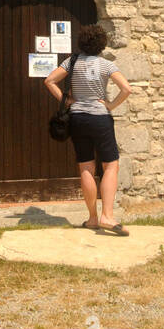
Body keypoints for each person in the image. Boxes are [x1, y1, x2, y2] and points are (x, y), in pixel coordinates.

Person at [44, 23, 132, 235]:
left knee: (86, 167)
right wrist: (110, 106)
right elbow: (126, 88)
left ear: (82, 42)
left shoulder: (71, 62)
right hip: (100, 119)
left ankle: (92, 218)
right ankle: (107, 216)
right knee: (111, 166)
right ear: (102, 44)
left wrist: (68, 102)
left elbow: (49, 81)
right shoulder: (106, 65)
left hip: (77, 118)